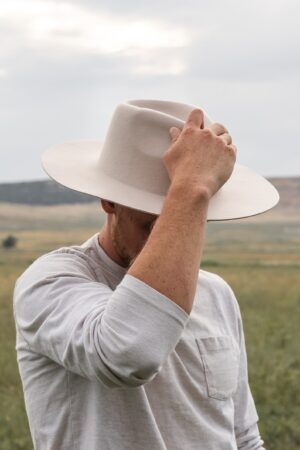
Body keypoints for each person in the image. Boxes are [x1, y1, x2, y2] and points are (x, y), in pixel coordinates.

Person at [13, 101, 272, 449]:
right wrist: (190, 189)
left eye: (189, 219)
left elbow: (242, 436)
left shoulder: (217, 293)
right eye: (155, 221)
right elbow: (129, 353)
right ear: (109, 201)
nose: (171, 236)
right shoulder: (50, 282)